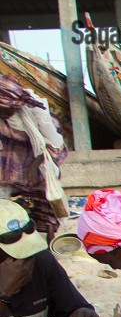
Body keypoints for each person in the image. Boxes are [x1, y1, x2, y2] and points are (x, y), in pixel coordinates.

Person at [0, 76, 67, 238]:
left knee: (45, 204)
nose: (4, 112)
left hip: (36, 165)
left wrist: (34, 166)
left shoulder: (39, 116)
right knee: (7, 210)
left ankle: (49, 241)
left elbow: (55, 146)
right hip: (9, 166)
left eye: (6, 109)